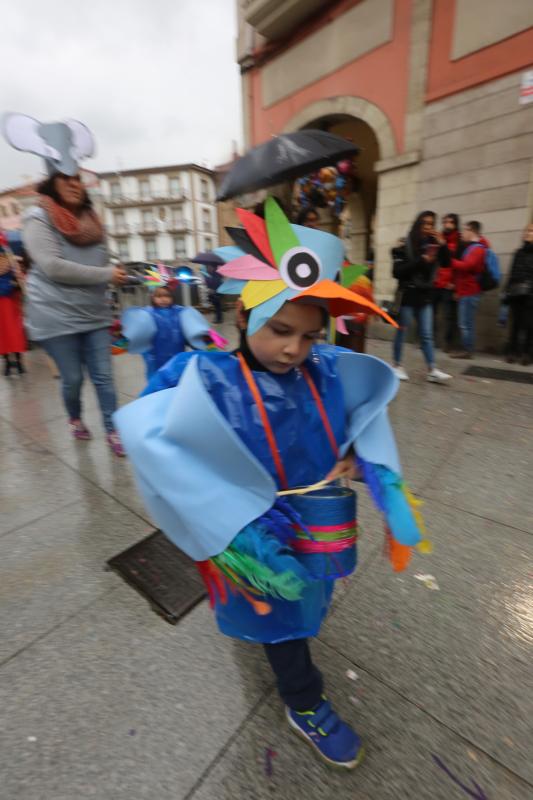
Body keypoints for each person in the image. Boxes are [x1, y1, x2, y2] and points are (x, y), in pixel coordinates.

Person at [115, 197, 427, 770]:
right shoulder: (202, 376)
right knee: (279, 616)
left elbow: (360, 416)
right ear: (243, 316)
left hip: (315, 520)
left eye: (309, 335)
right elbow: (151, 434)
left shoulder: (325, 369)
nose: (293, 349)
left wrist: (357, 458)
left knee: (302, 598)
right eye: (280, 330)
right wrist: (219, 512)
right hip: (247, 529)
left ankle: (285, 645)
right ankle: (304, 702)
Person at [3, 113, 129, 455]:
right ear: (52, 182)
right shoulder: (37, 217)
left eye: (77, 178)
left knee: (104, 376)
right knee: (72, 379)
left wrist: (116, 274)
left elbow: (102, 260)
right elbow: (53, 267)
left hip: (94, 314)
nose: (74, 184)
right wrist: (106, 275)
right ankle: (74, 417)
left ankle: (113, 430)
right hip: (55, 318)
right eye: (65, 178)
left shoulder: (92, 220)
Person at [391, 211, 452, 383]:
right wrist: (421, 260)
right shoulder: (405, 244)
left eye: (431, 224)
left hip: (425, 295)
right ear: (418, 224)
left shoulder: (434, 245)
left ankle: (432, 369)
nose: (428, 227)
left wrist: (443, 245)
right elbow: (397, 272)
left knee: (426, 334)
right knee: (402, 331)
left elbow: (447, 263)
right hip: (408, 294)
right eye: (425, 223)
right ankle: (397, 365)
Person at [120, 285, 218, 379]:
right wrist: (122, 343)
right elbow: (136, 333)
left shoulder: (181, 313)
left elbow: (195, 330)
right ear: (153, 298)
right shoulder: (147, 314)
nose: (163, 299)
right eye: (159, 296)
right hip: (155, 359)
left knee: (177, 379)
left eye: (167, 296)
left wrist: (209, 342)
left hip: (177, 356)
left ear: (172, 297)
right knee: (158, 381)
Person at [450, 220, 485, 359]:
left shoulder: (478, 249)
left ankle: (468, 350)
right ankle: (466, 349)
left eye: (465, 230)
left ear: (472, 231)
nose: (462, 233)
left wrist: (450, 261)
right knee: (464, 323)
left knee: (466, 323)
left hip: (470, 292)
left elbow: (467, 266)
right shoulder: (471, 248)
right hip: (466, 291)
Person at [502, 223, 533, 365]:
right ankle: (512, 352)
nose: (528, 233)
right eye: (527, 230)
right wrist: (506, 291)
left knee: (529, 326)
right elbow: (512, 273)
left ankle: (527, 354)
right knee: (515, 324)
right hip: (516, 293)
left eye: (531, 231)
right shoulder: (519, 253)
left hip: (530, 295)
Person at [433, 214, 461, 352]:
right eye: (445, 222)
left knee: (449, 316)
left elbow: (459, 264)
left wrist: (455, 284)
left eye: (450, 222)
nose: (447, 224)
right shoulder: (439, 238)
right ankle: (430, 340)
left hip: (449, 284)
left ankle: (449, 343)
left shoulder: (459, 240)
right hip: (436, 282)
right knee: (431, 312)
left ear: (455, 224)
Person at [0, 237, 27, 377]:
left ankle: (9, 364)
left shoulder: (8, 254)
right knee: (13, 331)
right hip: (11, 298)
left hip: (8, 299)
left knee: (4, 333)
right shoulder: (9, 254)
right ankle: (17, 363)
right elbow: (19, 276)